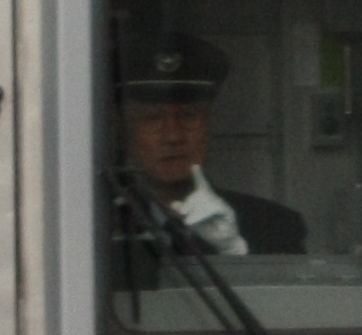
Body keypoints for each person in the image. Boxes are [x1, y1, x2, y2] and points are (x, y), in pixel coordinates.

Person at [117, 32, 304, 255]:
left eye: (188, 116)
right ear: (123, 130)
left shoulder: (275, 226)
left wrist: (233, 248)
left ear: (209, 124)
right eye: (152, 118)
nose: (173, 136)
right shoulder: (92, 228)